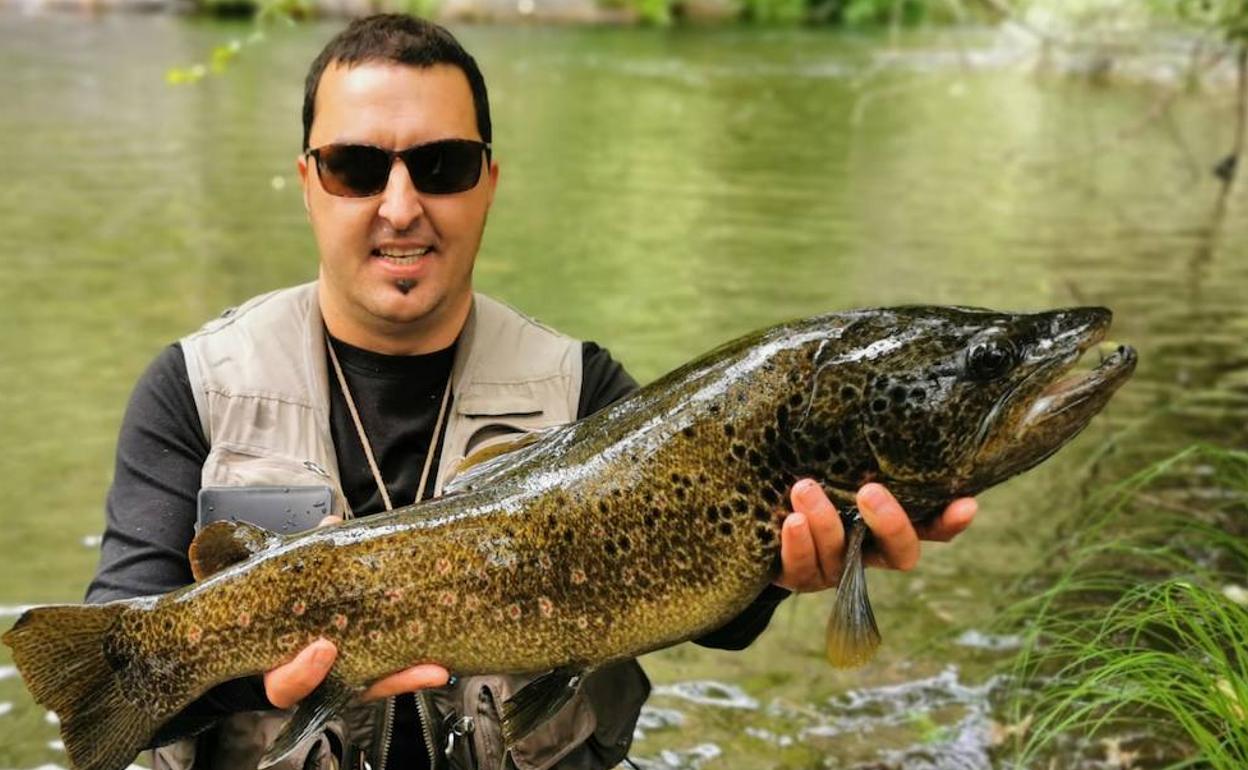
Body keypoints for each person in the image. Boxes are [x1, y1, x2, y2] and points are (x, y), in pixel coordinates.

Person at [85, 13, 978, 770]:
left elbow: (710, 614)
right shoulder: (193, 387)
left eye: (441, 167)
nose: (401, 206)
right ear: (309, 183)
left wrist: (784, 573)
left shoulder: (587, 391)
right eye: (358, 168)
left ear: (489, 184)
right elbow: (114, 678)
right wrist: (259, 673)